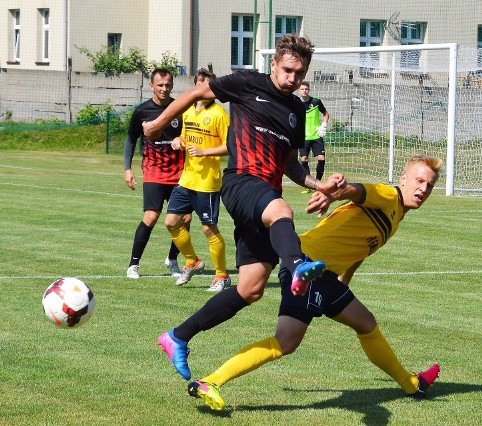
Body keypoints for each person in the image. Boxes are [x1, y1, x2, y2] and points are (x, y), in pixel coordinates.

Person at [142, 34, 346, 381]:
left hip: (266, 196)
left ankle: (177, 336)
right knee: (283, 212)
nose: (293, 79)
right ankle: (297, 266)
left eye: (300, 73)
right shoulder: (247, 82)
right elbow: (195, 93)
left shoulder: (297, 111)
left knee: (250, 288)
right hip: (240, 183)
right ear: (273, 65)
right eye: (287, 70)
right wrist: (159, 123)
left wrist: (317, 184)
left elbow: (291, 164)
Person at [185, 155, 443, 410]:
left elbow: (359, 248)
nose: (423, 189)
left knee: (366, 324)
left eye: (429, 185)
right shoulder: (390, 196)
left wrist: (345, 281)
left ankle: (411, 384)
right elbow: (359, 191)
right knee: (286, 341)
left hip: (325, 275)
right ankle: (210, 381)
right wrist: (333, 194)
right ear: (403, 179)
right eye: (419, 181)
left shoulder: (396, 215)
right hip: (308, 267)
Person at [165, 68, 231, 292]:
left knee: (208, 229)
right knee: (172, 222)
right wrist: (177, 140)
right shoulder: (188, 111)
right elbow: (184, 136)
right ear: (194, 86)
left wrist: (204, 151)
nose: (204, 87)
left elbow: (230, 146)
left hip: (208, 182)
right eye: (200, 83)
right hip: (187, 178)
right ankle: (192, 262)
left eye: (209, 84)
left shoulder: (220, 115)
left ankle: (222, 276)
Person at [124, 68, 190, 279]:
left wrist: (183, 141)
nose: (164, 88)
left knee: (186, 219)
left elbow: (191, 135)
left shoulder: (180, 108)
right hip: (154, 171)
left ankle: (172, 260)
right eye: (160, 85)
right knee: (151, 217)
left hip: (180, 172)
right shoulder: (142, 111)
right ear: (151, 86)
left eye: (168, 85)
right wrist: (128, 168)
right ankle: (133, 265)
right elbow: (131, 139)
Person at [297, 81, 329, 194]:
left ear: (309, 90)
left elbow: (325, 114)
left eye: (306, 89)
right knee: (304, 159)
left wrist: (323, 125)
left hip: (316, 135)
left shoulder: (316, 101)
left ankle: (318, 184)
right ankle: (308, 185)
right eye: (302, 89)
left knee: (321, 158)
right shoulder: (296, 102)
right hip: (303, 137)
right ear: (299, 90)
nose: (304, 91)